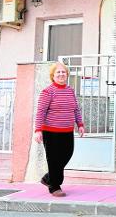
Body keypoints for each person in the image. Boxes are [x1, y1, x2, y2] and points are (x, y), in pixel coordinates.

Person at [34, 62, 85, 197]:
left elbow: (75, 109)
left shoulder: (70, 90)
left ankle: (48, 178)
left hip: (67, 131)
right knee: (54, 159)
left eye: (63, 72)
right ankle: (54, 186)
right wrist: (38, 130)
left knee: (67, 154)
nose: (61, 74)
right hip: (51, 132)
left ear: (67, 75)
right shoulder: (48, 92)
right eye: (58, 72)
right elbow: (41, 112)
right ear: (53, 75)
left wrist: (80, 124)